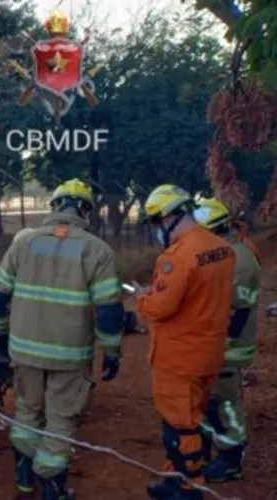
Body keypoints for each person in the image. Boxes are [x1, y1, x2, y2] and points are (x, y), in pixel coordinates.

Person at [0, 179, 125, 500]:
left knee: (26, 412)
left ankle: (24, 482)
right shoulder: (97, 250)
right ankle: (53, 491)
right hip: (69, 355)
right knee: (60, 420)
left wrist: (1, 331)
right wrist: (112, 351)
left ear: (53, 206)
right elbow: (108, 311)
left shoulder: (24, 242)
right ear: (86, 211)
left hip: (23, 350)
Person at [136, 185, 236, 500]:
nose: (156, 230)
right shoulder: (222, 248)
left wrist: (142, 298)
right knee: (194, 417)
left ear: (171, 216)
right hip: (208, 352)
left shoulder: (178, 257)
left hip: (178, 357)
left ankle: (188, 488)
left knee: (180, 427)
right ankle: (175, 477)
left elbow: (159, 308)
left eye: (156, 222)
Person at [192, 197, 260, 483]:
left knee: (224, 403)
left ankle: (230, 458)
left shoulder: (238, 260)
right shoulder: (225, 252)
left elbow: (237, 312)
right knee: (211, 401)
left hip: (228, 348)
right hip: (217, 344)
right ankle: (210, 444)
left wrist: (218, 344)